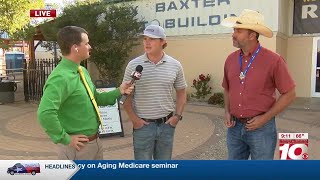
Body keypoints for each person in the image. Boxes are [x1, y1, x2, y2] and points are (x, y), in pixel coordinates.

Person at [37, 26, 134, 160]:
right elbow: (45, 113)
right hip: (78, 149)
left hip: (94, 143)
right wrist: (65, 138)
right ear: (75, 47)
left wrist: (119, 90)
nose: (90, 46)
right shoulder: (61, 78)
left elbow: (95, 98)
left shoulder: (82, 70)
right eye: (86, 43)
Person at [221, 9, 296, 160]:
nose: (233, 34)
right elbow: (227, 88)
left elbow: (290, 93)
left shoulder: (274, 60)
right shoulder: (230, 59)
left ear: (252, 35)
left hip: (262, 128)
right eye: (234, 30)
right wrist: (227, 111)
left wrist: (265, 118)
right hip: (234, 128)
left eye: (238, 31)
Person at [122, 25, 187, 160]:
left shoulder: (175, 65)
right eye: (145, 38)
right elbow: (127, 95)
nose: (147, 42)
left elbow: (181, 92)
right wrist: (135, 120)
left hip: (166, 125)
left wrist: (177, 116)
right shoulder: (134, 65)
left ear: (162, 41)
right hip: (143, 126)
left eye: (152, 39)